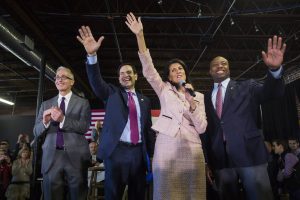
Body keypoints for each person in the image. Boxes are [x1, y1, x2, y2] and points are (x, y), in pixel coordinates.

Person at [126, 13, 208, 199]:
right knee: (166, 193)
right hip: (166, 148)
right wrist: (140, 36)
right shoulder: (164, 90)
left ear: (185, 73)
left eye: (180, 68)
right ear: (169, 77)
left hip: (192, 149)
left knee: (193, 193)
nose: (177, 71)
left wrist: (191, 101)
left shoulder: (199, 96)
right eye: (173, 70)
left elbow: (202, 128)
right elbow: (148, 69)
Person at [202, 35, 286, 200]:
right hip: (220, 160)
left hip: (250, 154)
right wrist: (207, 161)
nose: (220, 65)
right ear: (210, 71)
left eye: (224, 63)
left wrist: (275, 71)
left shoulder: (247, 86)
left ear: (229, 69)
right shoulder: (203, 98)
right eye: (215, 64)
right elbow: (205, 131)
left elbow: (270, 93)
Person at [76, 26, 155, 200]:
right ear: (118, 78)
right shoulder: (111, 94)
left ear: (136, 76)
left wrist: (152, 155)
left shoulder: (145, 101)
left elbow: (148, 129)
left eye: (129, 72)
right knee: (113, 196)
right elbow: (96, 82)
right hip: (116, 152)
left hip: (138, 155)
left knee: (138, 196)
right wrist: (91, 56)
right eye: (121, 73)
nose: (125, 75)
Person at [33, 66, 91, 200]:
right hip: (51, 159)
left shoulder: (83, 103)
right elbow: (36, 131)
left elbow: (84, 127)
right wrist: (45, 123)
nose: (60, 80)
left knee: (77, 196)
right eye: (57, 77)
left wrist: (62, 119)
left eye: (64, 77)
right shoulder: (45, 104)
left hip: (76, 158)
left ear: (72, 81)